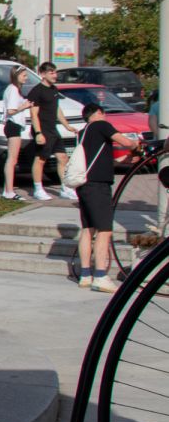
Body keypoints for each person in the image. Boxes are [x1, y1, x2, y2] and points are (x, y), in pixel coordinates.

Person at [75, 101, 139, 293]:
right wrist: (135, 146)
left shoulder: (82, 132)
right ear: (99, 112)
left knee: (88, 229)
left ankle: (85, 274)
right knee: (104, 230)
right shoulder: (101, 125)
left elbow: (100, 159)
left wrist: (124, 160)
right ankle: (101, 276)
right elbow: (126, 142)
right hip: (98, 186)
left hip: (84, 185)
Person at [28, 62, 79, 202]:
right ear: (42, 74)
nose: (55, 75)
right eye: (51, 73)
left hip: (53, 129)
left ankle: (65, 189)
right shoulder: (36, 91)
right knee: (40, 159)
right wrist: (38, 133)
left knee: (63, 158)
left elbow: (56, 108)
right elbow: (33, 114)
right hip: (42, 129)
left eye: (55, 72)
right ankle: (38, 189)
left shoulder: (54, 89)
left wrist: (67, 126)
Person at [0, 65, 31, 200]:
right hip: (13, 125)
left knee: (12, 159)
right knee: (12, 160)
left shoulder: (14, 89)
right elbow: (11, 111)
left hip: (14, 125)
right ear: (16, 76)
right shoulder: (12, 89)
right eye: (24, 75)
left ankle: (7, 190)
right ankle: (9, 191)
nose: (26, 78)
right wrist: (24, 106)